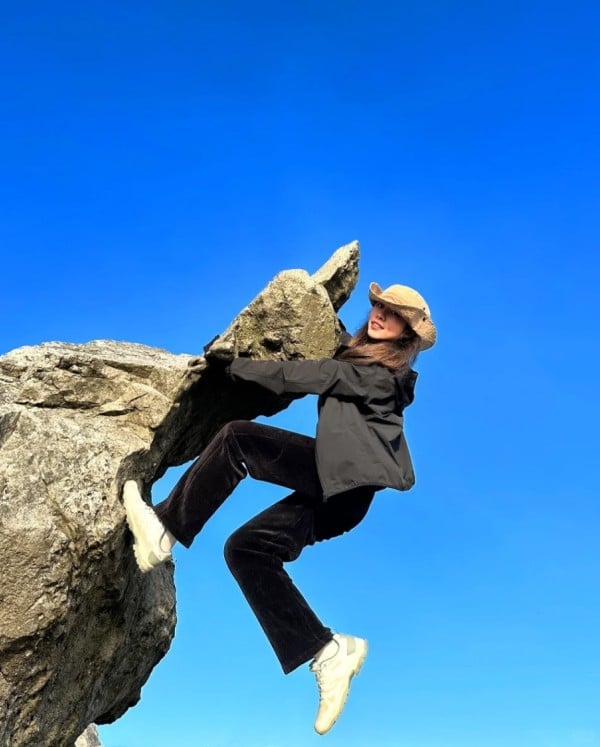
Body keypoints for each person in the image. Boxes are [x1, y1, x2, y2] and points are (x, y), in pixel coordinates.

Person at [122, 281, 436, 736]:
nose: (379, 314)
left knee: (239, 438)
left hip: (345, 487)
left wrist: (235, 368)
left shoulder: (380, 376)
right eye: (378, 305)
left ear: (406, 332)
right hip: (338, 498)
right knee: (246, 549)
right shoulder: (362, 357)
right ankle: (328, 652)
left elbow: (314, 375)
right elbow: (331, 351)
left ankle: (164, 530)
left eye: (393, 314)